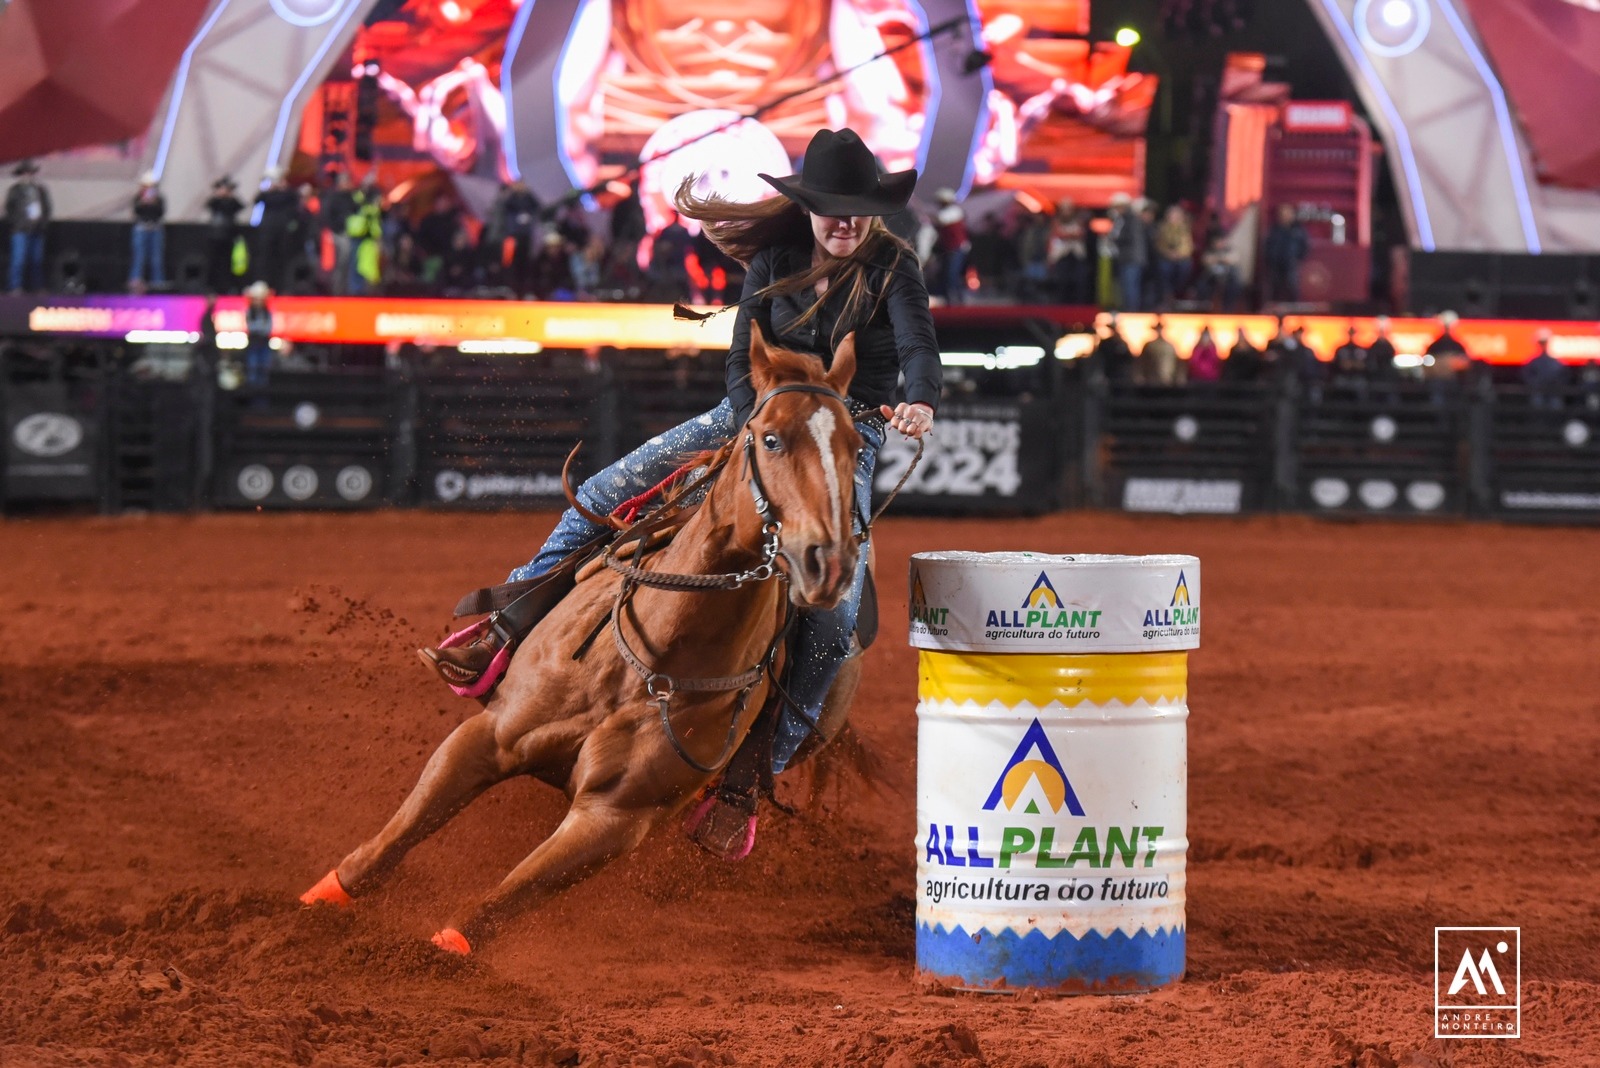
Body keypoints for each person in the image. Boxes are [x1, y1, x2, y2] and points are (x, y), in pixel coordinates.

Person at [418, 127, 939, 853]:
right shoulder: (775, 257)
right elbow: (740, 356)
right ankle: (507, 621)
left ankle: (747, 779)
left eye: (857, 209)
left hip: (842, 429)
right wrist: (751, 414)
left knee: (833, 612)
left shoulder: (893, 267)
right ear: (810, 209)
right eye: (831, 208)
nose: (845, 221)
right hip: (753, 413)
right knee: (601, 494)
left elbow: (917, 346)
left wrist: (921, 399)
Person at [5, 159, 51, 293]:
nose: (28, 175)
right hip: (20, 230)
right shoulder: (15, 190)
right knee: (18, 259)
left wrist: (42, 223)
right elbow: (9, 209)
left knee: (36, 260)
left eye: (30, 173)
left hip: (37, 230)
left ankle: (37, 286)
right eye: (25, 173)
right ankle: (15, 286)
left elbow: (47, 209)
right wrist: (16, 222)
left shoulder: (40, 191)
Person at [204, 177, 245, 294]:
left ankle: (228, 286)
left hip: (229, 236)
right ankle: (211, 287)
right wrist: (218, 195)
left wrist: (230, 196)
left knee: (228, 263)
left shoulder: (232, 203)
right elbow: (210, 205)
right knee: (213, 262)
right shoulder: (215, 202)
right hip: (214, 236)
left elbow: (240, 206)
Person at [1108, 193, 1148, 312]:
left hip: (1132, 259)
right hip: (1129, 258)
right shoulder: (1126, 219)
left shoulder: (1130, 219)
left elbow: (1128, 237)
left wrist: (1114, 238)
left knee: (1130, 287)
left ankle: (1131, 312)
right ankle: (1129, 310)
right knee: (1127, 287)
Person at [128, 173, 167, 291]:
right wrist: (143, 203)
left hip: (155, 229)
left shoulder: (159, 199)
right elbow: (136, 212)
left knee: (156, 258)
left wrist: (153, 203)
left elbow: (160, 213)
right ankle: (135, 280)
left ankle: (157, 282)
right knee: (139, 257)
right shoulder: (137, 199)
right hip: (141, 229)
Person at [1264, 204, 1309, 304]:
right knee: (1274, 288)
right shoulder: (1274, 230)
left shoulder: (1298, 231)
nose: (1285, 216)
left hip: (1291, 263)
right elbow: (1268, 245)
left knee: (1292, 286)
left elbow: (1304, 247)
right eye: (1283, 214)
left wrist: (1297, 259)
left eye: (1288, 213)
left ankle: (1294, 307)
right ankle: (1273, 307)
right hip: (1275, 264)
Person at [932, 188, 969, 304]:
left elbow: (940, 219)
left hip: (956, 248)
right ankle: (951, 298)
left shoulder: (954, 211)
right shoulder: (952, 212)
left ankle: (956, 299)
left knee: (951, 274)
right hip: (949, 248)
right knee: (948, 273)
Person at [1153, 204, 1193, 308]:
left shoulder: (1185, 228)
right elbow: (1159, 245)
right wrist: (1168, 254)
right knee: (1164, 269)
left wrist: (1179, 254)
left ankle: (1179, 295)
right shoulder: (1162, 228)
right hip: (1166, 257)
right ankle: (1167, 297)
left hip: (1182, 258)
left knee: (1185, 268)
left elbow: (1188, 246)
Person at [1522, 329, 1568, 412]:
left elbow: (1563, 375)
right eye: (1541, 343)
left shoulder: (1556, 362)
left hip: (1553, 391)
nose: (1543, 345)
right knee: (1537, 403)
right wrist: (1535, 383)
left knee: (1555, 405)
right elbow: (1526, 375)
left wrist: (1557, 384)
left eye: (1545, 343)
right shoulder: (1533, 361)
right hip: (1538, 390)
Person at [243, 281, 275, 388]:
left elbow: (267, 328)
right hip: (254, 344)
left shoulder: (267, 313)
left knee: (264, 370)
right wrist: (259, 328)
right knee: (253, 368)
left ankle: (262, 396)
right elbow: (251, 327)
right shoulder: (250, 312)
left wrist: (259, 329)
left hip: (264, 344)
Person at [1136, 318, 1182, 386]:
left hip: (1168, 380)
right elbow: (1142, 362)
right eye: (1158, 329)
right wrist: (1140, 377)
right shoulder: (1149, 346)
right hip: (1152, 380)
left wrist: (1178, 378)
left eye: (1160, 329)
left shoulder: (1170, 346)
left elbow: (1177, 363)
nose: (1159, 331)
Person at [1092, 313, 1134, 385]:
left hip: (1121, 374)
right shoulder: (1105, 343)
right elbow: (1100, 357)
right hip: (1108, 372)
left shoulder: (1123, 343)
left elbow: (1129, 358)